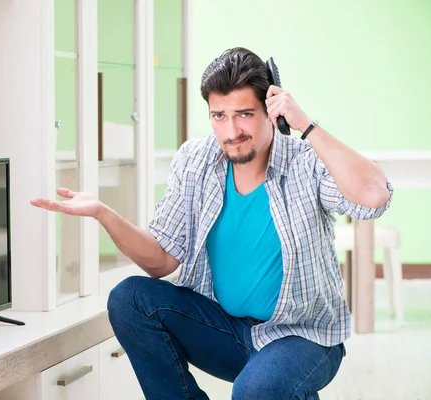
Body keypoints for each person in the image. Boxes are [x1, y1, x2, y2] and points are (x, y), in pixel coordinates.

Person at [30, 47, 393, 399]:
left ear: (271, 109)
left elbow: (375, 196)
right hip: (226, 330)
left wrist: (306, 125)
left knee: (258, 390)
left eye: (244, 114)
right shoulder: (196, 159)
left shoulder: (305, 162)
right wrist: (104, 214)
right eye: (219, 116)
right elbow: (161, 261)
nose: (231, 130)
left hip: (303, 337)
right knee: (130, 298)